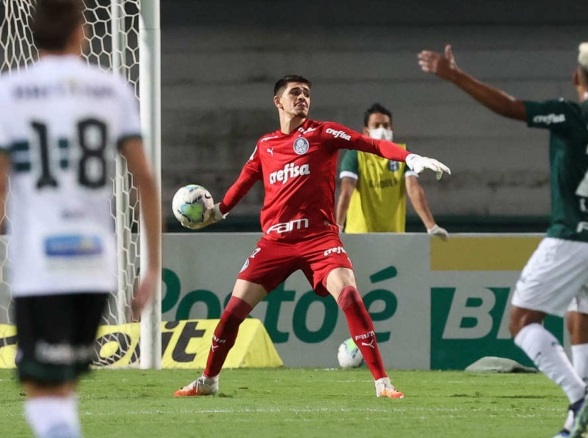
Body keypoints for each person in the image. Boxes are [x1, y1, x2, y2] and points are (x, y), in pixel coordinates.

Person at [173, 74, 450, 399]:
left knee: (349, 296)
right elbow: (244, 181)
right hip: (275, 241)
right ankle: (208, 380)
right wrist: (217, 212)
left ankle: (382, 383)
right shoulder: (265, 145)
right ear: (278, 102)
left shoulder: (323, 133)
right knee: (233, 311)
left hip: (320, 238)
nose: (302, 97)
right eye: (295, 92)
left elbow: (372, 145)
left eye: (306, 93)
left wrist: (410, 157)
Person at [0, 1, 161, 437]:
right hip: (94, 262)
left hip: (41, 263)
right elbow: (144, 179)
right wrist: (152, 267)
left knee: (43, 390)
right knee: (62, 387)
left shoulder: (11, 92)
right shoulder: (110, 90)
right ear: (79, 32)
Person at [418, 43, 588, 438]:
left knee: (522, 321)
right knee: (581, 314)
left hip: (570, 237)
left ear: (576, 76)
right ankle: (578, 417)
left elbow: (511, 107)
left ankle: (578, 397)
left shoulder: (570, 113)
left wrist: (455, 75)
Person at [336, 102, 449, 238]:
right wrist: (338, 227)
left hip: (393, 236)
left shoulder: (403, 153)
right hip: (359, 234)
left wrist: (431, 226)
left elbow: (413, 189)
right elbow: (346, 190)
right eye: (376, 126)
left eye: (386, 125)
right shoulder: (355, 155)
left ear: (392, 129)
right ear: (366, 131)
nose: (382, 130)